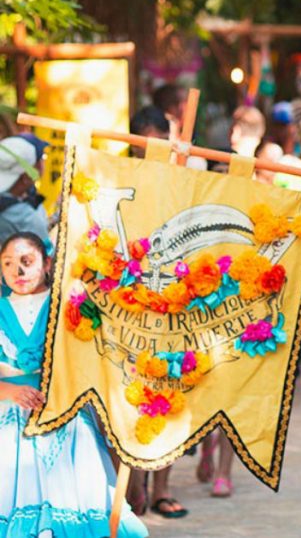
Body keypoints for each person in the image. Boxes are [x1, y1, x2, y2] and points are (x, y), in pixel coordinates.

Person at [0, 232, 147, 537]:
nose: (19, 271)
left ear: (47, 262)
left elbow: (93, 359)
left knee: (74, 506)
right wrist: (10, 391)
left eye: (27, 261)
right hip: (8, 423)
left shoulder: (69, 303)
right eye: (8, 263)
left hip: (67, 422)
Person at [124, 107, 191, 519]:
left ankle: (162, 488)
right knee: (127, 402)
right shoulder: (119, 180)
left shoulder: (180, 180)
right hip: (127, 312)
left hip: (173, 310)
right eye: (147, 144)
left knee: (170, 399)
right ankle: (133, 488)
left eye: (161, 143)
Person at [0, 135, 49, 247]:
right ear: (27, 176)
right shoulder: (22, 216)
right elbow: (49, 253)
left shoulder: (24, 197)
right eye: (43, 158)